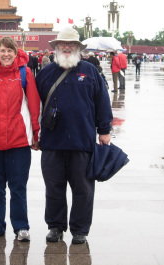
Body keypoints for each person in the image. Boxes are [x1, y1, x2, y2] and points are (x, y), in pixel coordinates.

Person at [35, 27, 113, 245]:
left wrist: (104, 130)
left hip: (82, 141)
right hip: (52, 142)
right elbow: (32, 105)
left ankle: (80, 229)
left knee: (83, 189)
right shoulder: (45, 73)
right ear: (56, 47)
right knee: (54, 188)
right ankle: (55, 226)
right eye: (63, 44)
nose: (67, 48)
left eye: (71, 45)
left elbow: (102, 102)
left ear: (78, 48)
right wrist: (33, 132)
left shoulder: (89, 71)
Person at [0, 36, 40, 242]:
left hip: (18, 140)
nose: (6, 54)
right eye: (2, 50)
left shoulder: (25, 73)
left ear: (15, 52)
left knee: (18, 186)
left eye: (9, 51)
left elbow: (34, 106)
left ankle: (21, 226)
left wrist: (36, 134)